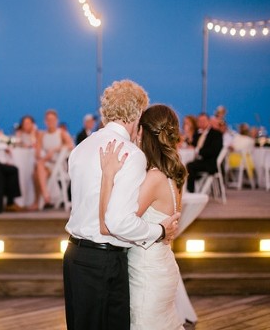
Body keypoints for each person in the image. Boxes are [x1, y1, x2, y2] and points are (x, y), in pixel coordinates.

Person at [63, 80, 180, 329]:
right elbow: (116, 222)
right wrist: (158, 231)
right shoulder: (130, 154)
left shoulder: (80, 148)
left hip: (75, 256)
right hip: (105, 261)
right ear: (137, 113)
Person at [99, 104, 188, 329]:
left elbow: (113, 223)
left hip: (147, 273)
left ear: (144, 133)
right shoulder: (176, 174)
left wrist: (108, 176)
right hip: (163, 264)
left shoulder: (154, 178)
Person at [35, 109, 74, 208]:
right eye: (48, 120)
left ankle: (44, 196)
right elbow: (38, 152)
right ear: (45, 121)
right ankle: (45, 194)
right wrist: (46, 156)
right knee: (39, 168)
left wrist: (56, 149)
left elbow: (71, 145)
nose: (50, 122)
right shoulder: (42, 134)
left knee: (38, 168)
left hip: (59, 166)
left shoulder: (61, 133)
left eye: (52, 120)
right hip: (46, 163)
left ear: (56, 120)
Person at [186, 113, 224, 192]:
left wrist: (198, 151)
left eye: (204, 120)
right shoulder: (197, 133)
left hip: (209, 163)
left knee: (189, 166)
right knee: (185, 165)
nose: (201, 122)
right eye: (199, 121)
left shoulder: (216, 134)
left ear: (209, 121)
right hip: (199, 161)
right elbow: (193, 145)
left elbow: (213, 151)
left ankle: (190, 192)